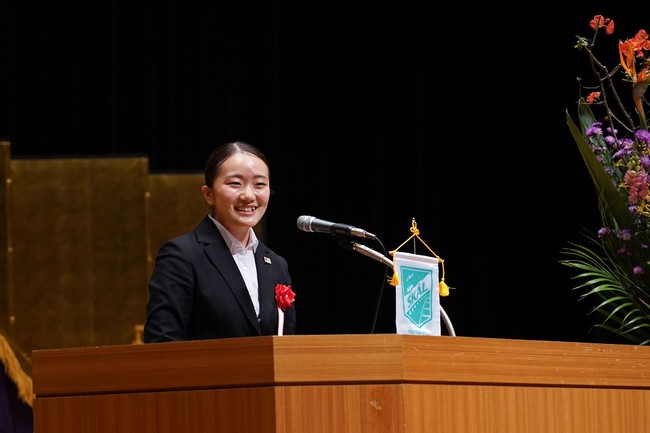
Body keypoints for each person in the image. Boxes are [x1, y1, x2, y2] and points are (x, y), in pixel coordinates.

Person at [144, 141, 296, 342]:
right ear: (208, 194)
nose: (249, 195)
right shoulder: (182, 256)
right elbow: (162, 341)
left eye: (260, 184)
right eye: (235, 183)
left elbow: (287, 344)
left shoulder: (276, 264)